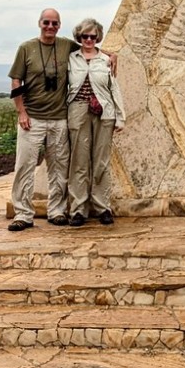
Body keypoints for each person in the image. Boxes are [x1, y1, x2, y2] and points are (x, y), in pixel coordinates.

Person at [7, 8, 79, 231]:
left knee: (59, 167)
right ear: (39, 23)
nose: (50, 27)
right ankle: (23, 214)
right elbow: (16, 81)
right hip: (33, 118)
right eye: (46, 22)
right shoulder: (26, 48)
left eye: (54, 23)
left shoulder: (66, 46)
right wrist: (21, 112)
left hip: (59, 118)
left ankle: (56, 210)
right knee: (24, 166)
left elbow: (90, 48)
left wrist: (110, 54)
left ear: (59, 25)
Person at [65, 18, 125, 227]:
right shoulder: (71, 58)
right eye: (84, 36)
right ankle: (78, 209)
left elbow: (113, 88)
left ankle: (102, 207)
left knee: (101, 161)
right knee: (79, 161)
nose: (89, 40)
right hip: (78, 109)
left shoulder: (105, 60)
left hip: (103, 111)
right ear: (79, 37)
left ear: (97, 37)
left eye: (92, 36)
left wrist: (120, 116)